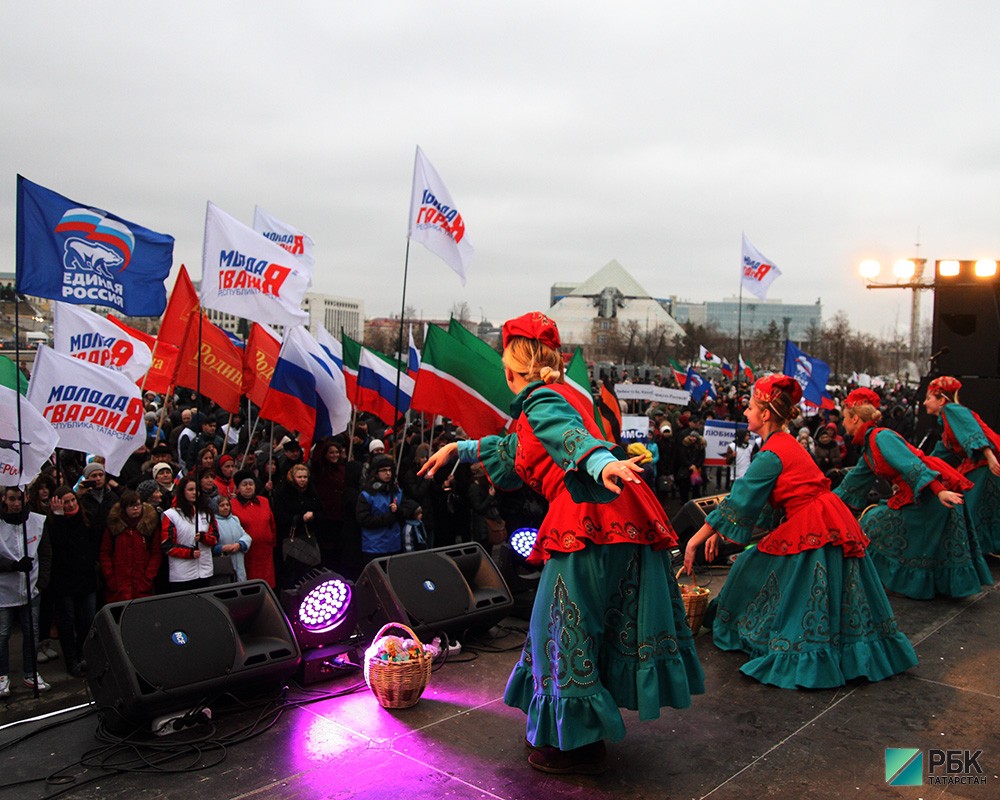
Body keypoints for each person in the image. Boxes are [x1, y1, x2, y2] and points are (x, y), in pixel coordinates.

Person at [420, 312, 703, 775]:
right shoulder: (566, 392)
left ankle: (575, 743)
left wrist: (598, 463)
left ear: (510, 369)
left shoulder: (542, 399)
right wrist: (461, 448)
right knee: (591, 624)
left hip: (588, 515)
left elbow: (567, 436)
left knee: (560, 629)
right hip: (617, 514)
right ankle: (579, 732)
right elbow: (519, 450)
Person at [684, 375, 918, 690]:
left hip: (813, 521)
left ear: (765, 414)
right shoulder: (784, 443)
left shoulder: (773, 451)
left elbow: (741, 497)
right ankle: (844, 653)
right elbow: (760, 502)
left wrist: (695, 539)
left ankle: (798, 650)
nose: (746, 413)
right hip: (824, 516)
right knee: (821, 588)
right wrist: (718, 531)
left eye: (750, 408)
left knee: (757, 572)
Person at [833, 388, 991, 599]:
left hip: (930, 494)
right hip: (920, 493)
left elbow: (912, 466)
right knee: (872, 520)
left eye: (844, 418)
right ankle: (900, 581)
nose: (842, 423)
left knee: (872, 521)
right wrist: (825, 505)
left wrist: (940, 491)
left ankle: (896, 581)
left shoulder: (882, 437)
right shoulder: (869, 447)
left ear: (854, 418)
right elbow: (850, 485)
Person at [924, 376, 1000, 554]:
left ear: (942, 400)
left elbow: (973, 433)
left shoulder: (952, 410)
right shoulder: (947, 423)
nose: (924, 403)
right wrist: (919, 469)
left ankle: (968, 551)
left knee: (968, 506)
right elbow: (939, 454)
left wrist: (990, 457)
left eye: (928, 398)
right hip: (982, 464)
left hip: (986, 465)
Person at [45, 486, 101, 676]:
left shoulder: (87, 518)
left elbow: (95, 543)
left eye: (72, 501)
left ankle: (84, 654)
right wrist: (59, 517)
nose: (69, 505)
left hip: (85, 579)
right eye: (65, 502)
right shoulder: (53, 522)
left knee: (87, 620)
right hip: (64, 582)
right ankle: (71, 660)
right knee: (67, 622)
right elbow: (58, 544)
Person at [0, 487, 52, 694]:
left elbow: (46, 553)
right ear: (4, 499)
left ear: (27, 497)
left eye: (19, 499)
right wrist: (12, 566)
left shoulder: (37, 521)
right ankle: (2, 675)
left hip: (31, 589)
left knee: (32, 632)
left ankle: (31, 673)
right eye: (11, 499)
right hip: (4, 592)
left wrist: (41, 583)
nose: (15, 503)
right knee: (2, 634)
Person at [100, 489, 162, 603]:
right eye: (131, 506)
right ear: (124, 508)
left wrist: (148, 578)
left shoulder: (150, 526)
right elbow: (105, 553)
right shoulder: (114, 527)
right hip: (118, 587)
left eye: (138, 505)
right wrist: (110, 578)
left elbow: (156, 554)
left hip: (142, 586)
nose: (135, 509)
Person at [160, 475, 219, 591]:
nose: (194, 493)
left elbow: (215, 538)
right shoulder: (171, 515)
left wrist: (203, 537)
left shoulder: (206, 513)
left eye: (196, 490)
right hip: (182, 575)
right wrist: (189, 553)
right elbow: (167, 545)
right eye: (190, 490)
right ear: (183, 492)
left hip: (205, 571)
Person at [272, 463, 322, 588]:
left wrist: (313, 515)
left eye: (305, 477)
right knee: (292, 575)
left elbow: (321, 511)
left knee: (310, 573)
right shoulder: (283, 492)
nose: (303, 480)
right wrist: (299, 518)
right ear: (293, 477)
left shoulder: (312, 491)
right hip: (291, 538)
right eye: (299, 477)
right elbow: (279, 515)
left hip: (309, 536)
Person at [356, 454, 408, 562]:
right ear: (376, 472)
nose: (388, 473)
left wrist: (399, 511)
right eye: (384, 470)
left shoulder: (397, 491)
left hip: (394, 544)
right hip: (374, 547)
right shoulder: (367, 494)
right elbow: (363, 519)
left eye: (390, 470)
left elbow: (406, 511)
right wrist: (386, 519)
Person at [231, 470, 277, 588]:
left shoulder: (264, 501)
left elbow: (271, 523)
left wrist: (272, 540)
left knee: (267, 583)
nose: (248, 487)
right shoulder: (232, 504)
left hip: (265, 551)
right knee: (250, 584)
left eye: (251, 484)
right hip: (247, 553)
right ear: (238, 487)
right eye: (244, 484)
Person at [211, 496, 251, 583]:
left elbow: (246, 536)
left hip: (239, 561)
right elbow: (210, 544)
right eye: (222, 505)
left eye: (227, 505)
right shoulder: (212, 522)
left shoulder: (235, 519)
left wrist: (240, 544)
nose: (226, 507)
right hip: (223, 563)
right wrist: (222, 548)